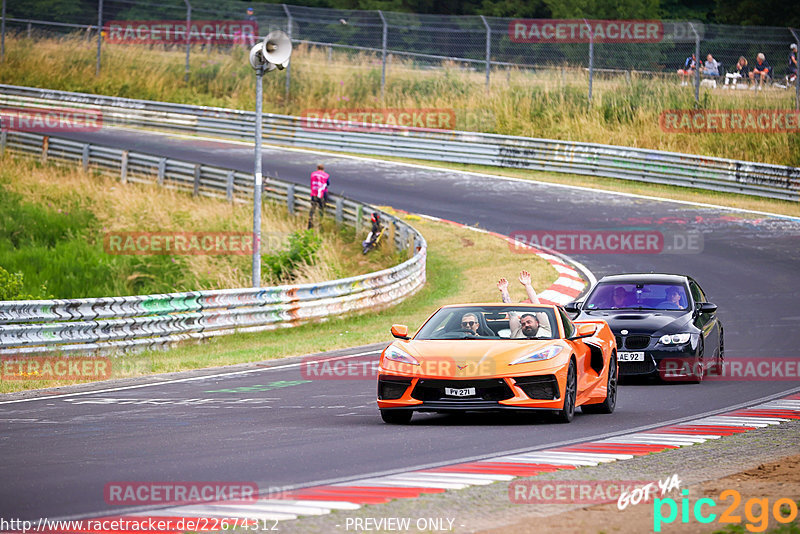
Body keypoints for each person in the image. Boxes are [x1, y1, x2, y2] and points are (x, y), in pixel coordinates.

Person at [497, 270, 552, 339]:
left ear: (537, 323)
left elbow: (537, 306)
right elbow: (511, 313)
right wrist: (504, 290)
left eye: (529, 322)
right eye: (523, 324)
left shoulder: (546, 329)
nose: (526, 325)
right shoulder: (517, 332)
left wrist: (528, 285)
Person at [307, 164, 330, 229]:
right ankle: (321, 224)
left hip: (314, 193)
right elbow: (328, 183)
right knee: (321, 208)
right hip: (322, 194)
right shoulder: (326, 175)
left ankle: (310, 225)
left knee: (312, 209)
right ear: (323, 169)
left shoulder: (313, 174)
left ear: (317, 168)